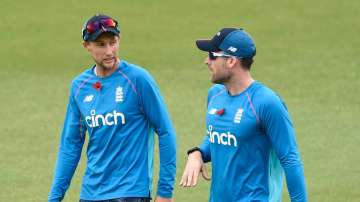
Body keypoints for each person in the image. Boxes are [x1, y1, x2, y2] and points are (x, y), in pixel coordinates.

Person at [48, 14, 176, 202]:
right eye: (101, 44)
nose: (109, 51)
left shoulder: (138, 79)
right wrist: (55, 197)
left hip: (131, 192)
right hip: (91, 194)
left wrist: (165, 192)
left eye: (113, 42)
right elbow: (71, 145)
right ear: (87, 46)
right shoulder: (79, 87)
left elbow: (165, 131)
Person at [179, 28, 307, 202]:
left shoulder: (266, 102)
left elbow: (290, 159)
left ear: (231, 61)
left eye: (212, 55)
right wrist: (198, 153)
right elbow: (218, 137)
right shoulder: (214, 95)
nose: (206, 61)